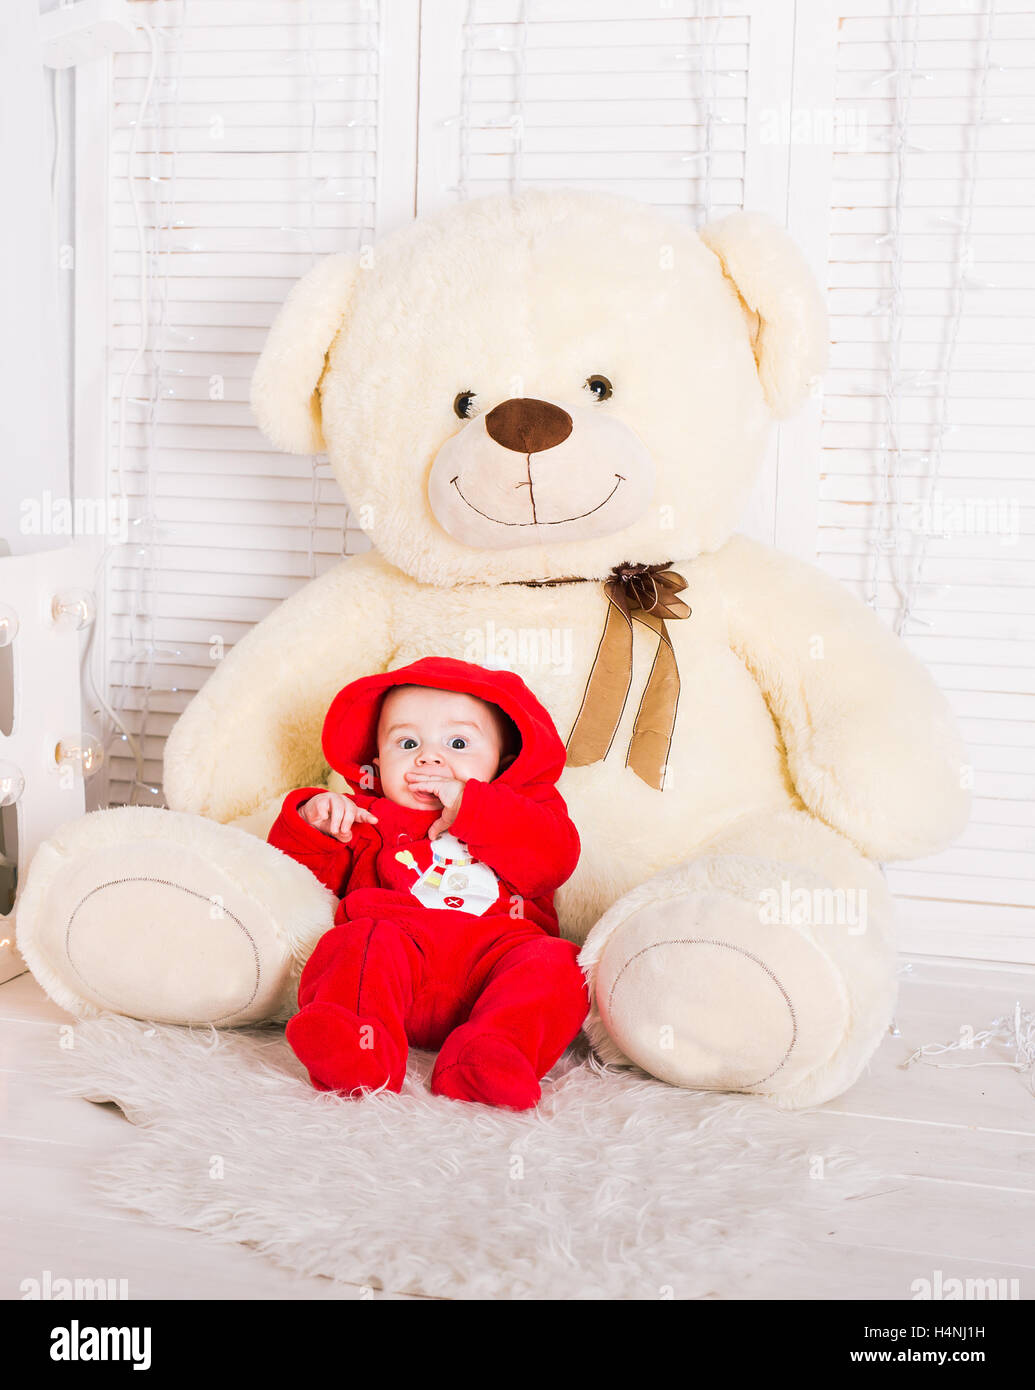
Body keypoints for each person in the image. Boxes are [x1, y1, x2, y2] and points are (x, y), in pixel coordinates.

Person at [267, 656, 588, 1111]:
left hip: (494, 967)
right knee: (358, 939)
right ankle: (357, 1049)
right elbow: (295, 883)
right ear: (377, 762)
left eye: (458, 742)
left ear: (501, 762)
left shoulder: (520, 813)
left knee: (561, 963)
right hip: (395, 968)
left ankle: (491, 1055)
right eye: (407, 742)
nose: (429, 757)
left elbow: (553, 861)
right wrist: (313, 824)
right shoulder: (365, 815)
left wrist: (475, 806)